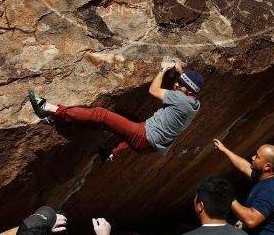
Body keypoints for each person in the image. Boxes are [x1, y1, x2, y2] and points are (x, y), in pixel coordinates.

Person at [27, 57, 203, 161]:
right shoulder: (194, 104)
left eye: (180, 84)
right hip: (150, 146)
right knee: (131, 122)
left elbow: (154, 90)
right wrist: (180, 75)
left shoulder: (180, 99)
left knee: (101, 115)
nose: (176, 85)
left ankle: (48, 109)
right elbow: (183, 91)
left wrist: (163, 69)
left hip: (143, 136)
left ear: (188, 91)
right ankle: (111, 154)